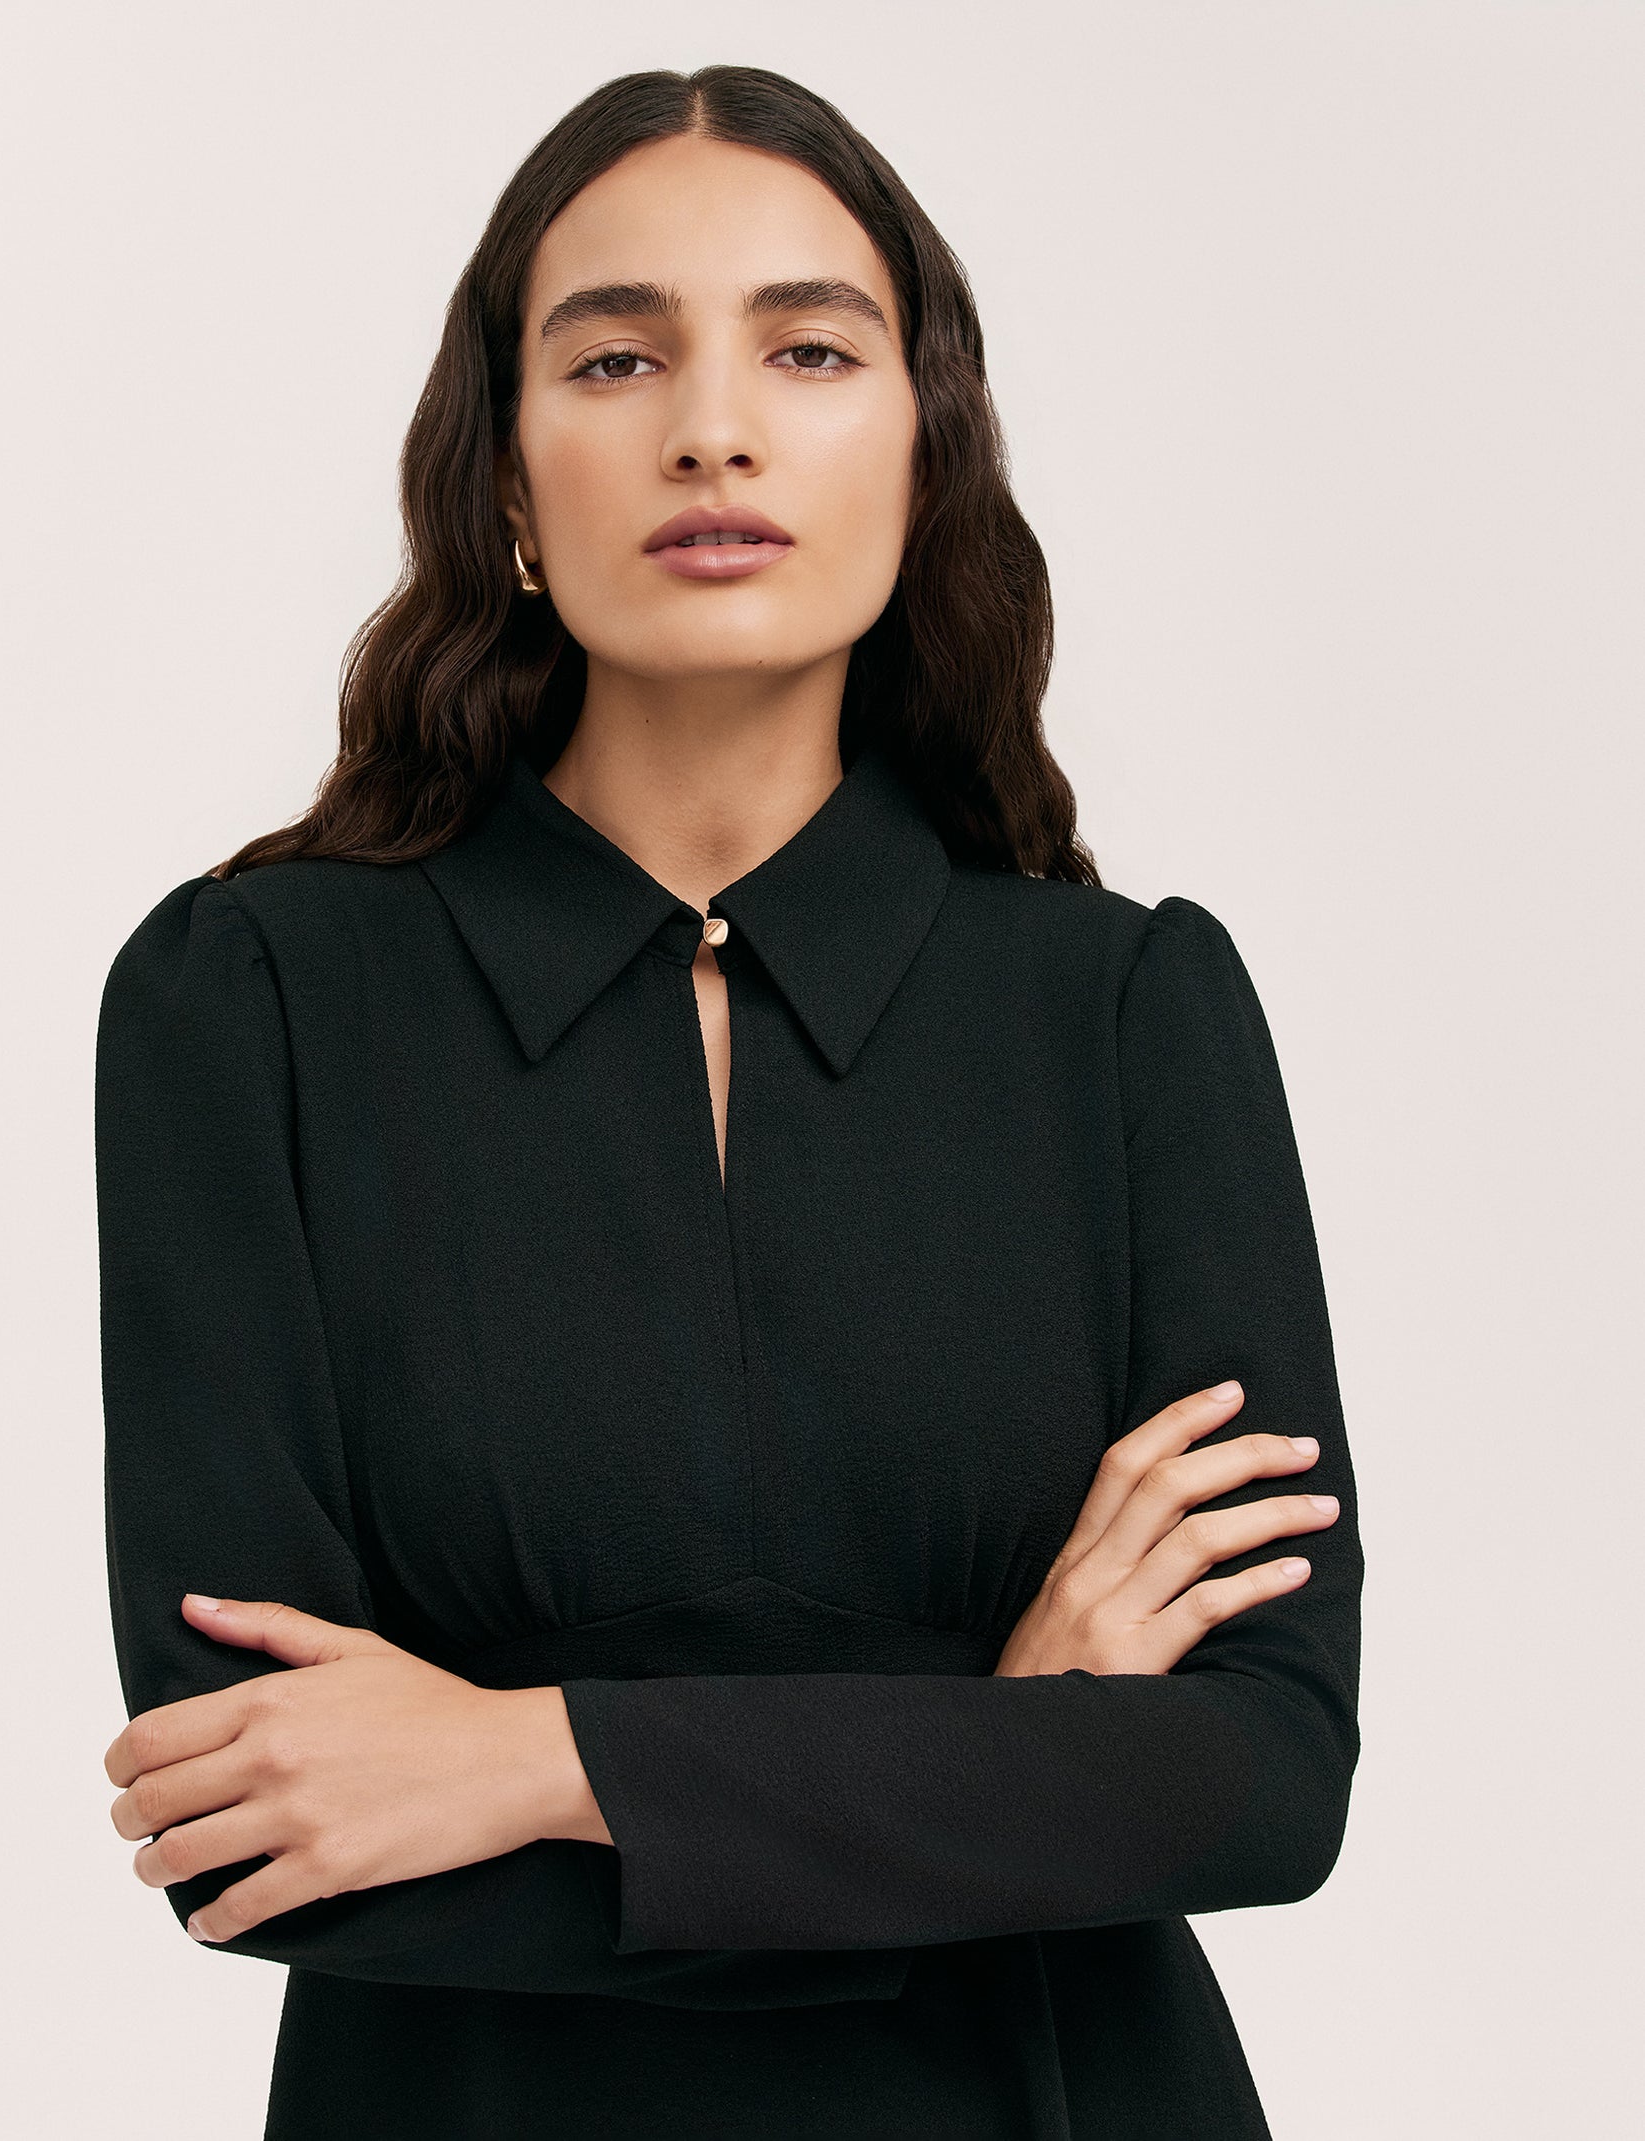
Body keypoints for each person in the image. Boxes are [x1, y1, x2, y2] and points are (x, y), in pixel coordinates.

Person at [95, 62, 1362, 2140]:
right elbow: (256, 1819)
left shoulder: (1131, 1008)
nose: (711, 426)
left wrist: (527, 1759)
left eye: (808, 349)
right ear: (505, 480)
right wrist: (1003, 1756)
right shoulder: (249, 1002)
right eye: (614, 356)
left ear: (922, 454)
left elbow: (1260, 1778)